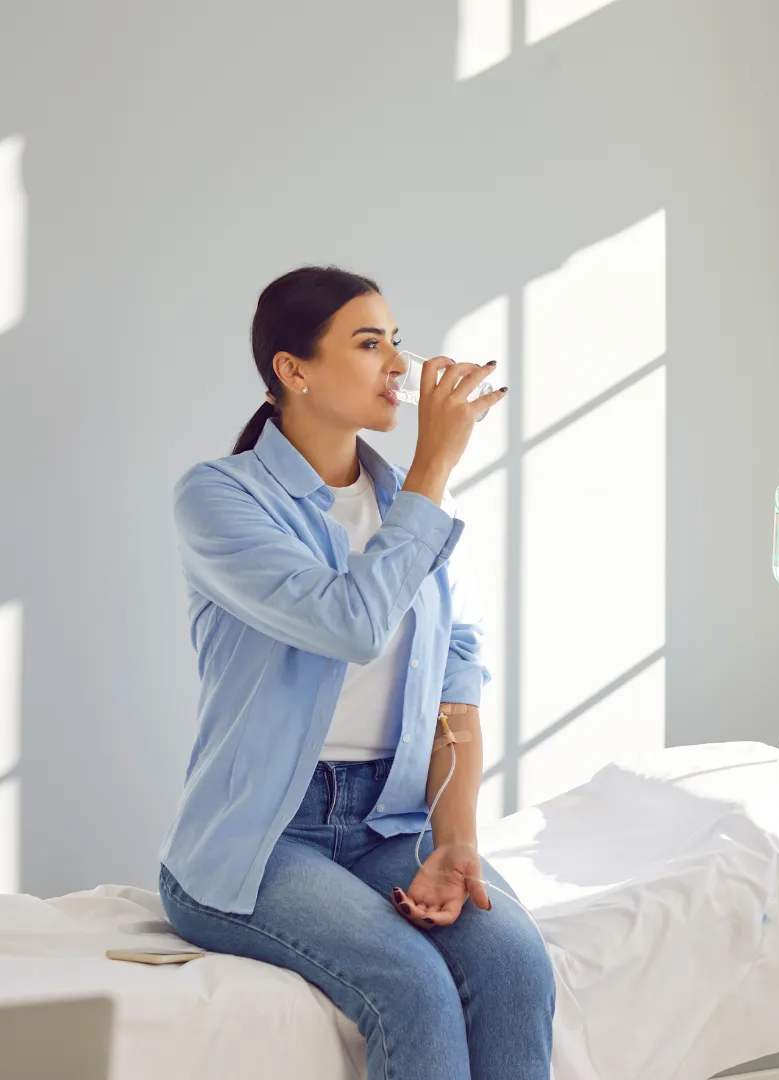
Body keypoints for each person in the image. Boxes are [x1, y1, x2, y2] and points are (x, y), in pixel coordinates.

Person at [157, 265, 555, 1080]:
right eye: (370, 344)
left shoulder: (417, 510)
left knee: (516, 966)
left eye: (397, 342)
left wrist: (456, 842)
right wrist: (433, 468)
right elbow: (350, 625)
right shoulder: (220, 499)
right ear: (292, 370)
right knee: (413, 984)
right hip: (263, 836)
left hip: (392, 823)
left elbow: (458, 687)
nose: (400, 365)